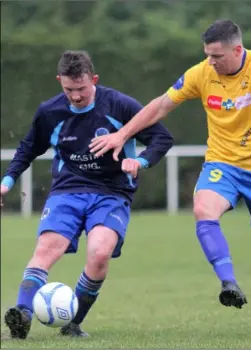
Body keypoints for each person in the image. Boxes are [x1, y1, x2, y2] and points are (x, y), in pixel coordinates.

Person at [88, 20, 251, 331]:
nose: (211, 61)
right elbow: (160, 105)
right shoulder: (201, 73)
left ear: (237, 50)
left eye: (217, 56)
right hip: (222, 164)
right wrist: (122, 134)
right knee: (202, 209)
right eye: (207, 55)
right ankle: (229, 283)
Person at [1, 50, 173, 339]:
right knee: (45, 250)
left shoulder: (119, 105)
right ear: (59, 81)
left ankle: (73, 323)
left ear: (93, 79)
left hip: (112, 192)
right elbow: (28, 148)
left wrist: (140, 161)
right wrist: (7, 181)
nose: (76, 96)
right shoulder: (50, 112)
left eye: (81, 88)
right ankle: (22, 316)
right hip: (67, 190)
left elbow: (161, 137)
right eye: (69, 89)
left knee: (99, 254)